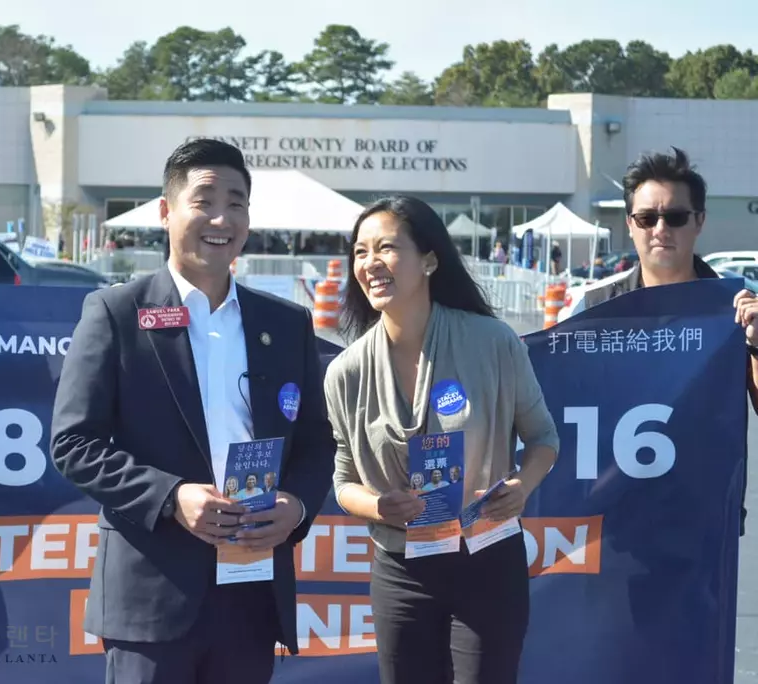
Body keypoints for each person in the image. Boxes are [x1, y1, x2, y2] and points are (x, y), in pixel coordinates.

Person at [49, 138, 336, 684]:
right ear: (166, 211)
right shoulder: (116, 312)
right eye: (204, 200)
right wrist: (171, 497)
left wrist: (295, 506)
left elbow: (318, 441)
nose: (221, 218)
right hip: (152, 595)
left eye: (237, 203)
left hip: (252, 589)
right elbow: (73, 444)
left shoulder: (285, 323)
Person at [323, 195, 560, 684]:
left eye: (386, 248)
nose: (370, 264)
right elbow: (344, 479)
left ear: (429, 260)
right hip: (401, 569)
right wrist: (376, 506)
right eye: (360, 252)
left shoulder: (493, 342)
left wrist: (521, 487)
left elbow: (543, 438)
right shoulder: (345, 373)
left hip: (487, 557)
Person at [567, 146, 755, 534]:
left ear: (699, 221)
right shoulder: (596, 306)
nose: (660, 229)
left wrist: (755, 344)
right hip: (613, 518)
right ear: (630, 224)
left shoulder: (734, 310)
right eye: (647, 217)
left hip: (704, 522)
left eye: (675, 217)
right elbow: (556, 404)